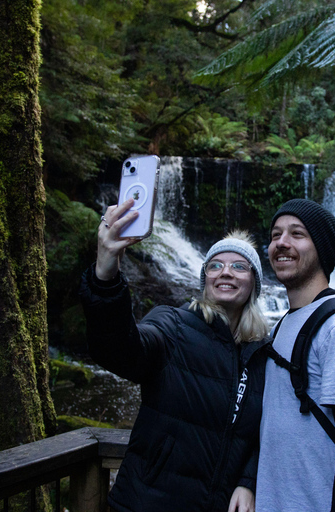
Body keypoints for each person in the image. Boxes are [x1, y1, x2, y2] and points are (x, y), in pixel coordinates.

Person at [79, 198, 270, 512]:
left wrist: (249, 480)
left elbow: (266, 429)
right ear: (205, 279)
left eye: (238, 266)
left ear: (254, 283)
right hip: (147, 504)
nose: (225, 272)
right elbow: (119, 350)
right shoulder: (174, 326)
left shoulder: (262, 353)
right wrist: (105, 274)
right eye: (215, 265)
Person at [256, 198, 335, 512]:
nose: (281, 243)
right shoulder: (286, 323)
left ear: (322, 249)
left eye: (297, 234)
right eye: (275, 235)